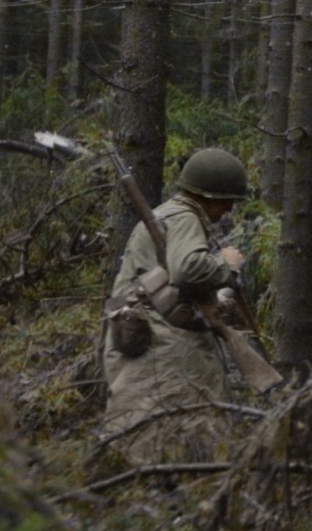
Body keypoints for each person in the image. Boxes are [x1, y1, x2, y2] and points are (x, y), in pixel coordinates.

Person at [100, 147, 253, 463]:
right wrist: (226, 264)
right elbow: (186, 269)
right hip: (162, 342)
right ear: (208, 195)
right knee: (172, 436)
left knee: (148, 431)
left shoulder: (168, 216)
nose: (229, 208)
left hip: (146, 336)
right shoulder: (185, 217)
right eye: (227, 200)